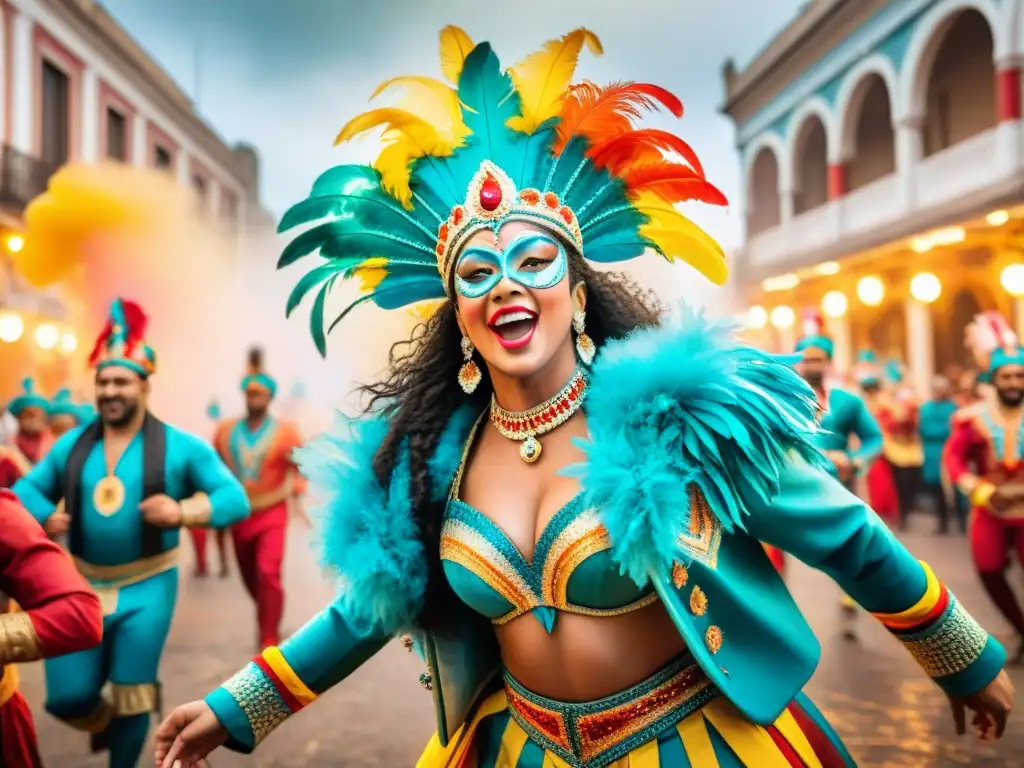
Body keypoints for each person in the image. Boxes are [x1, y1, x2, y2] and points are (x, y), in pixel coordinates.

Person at [155, 28, 1013, 768]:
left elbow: (847, 536)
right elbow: (365, 610)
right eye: (478, 275)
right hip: (515, 744)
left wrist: (962, 659)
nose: (506, 288)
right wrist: (238, 709)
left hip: (694, 740)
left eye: (534, 264)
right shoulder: (432, 460)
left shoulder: (679, 418)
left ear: (576, 286)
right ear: (458, 314)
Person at [12, 297, 250, 768]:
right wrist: (45, 515)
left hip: (148, 585)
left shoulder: (182, 447)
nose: (110, 390)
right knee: (66, 698)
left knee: (134, 694)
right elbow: (23, 491)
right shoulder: (70, 446)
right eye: (103, 381)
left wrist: (182, 512)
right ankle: (106, 725)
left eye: (121, 380)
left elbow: (234, 499)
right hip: (76, 584)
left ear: (144, 387)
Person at [792, 312, 884, 639]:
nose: (813, 364)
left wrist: (855, 460)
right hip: (795, 490)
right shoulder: (784, 400)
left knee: (849, 547)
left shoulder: (847, 402)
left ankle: (851, 597)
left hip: (842, 486)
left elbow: (875, 439)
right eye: (807, 358)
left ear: (829, 361)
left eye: (819, 358)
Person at [1, 490, 103, 767]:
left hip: (139, 580)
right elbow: (32, 485)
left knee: (133, 692)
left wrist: (182, 514)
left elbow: (79, 615)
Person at [212, 348, 305, 650]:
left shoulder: (287, 433)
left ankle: (267, 637)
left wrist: (300, 484)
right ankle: (269, 612)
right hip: (239, 514)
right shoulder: (225, 432)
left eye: (261, 394)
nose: (255, 399)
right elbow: (213, 468)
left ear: (270, 397)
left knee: (268, 572)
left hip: (272, 511)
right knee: (252, 577)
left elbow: (301, 464)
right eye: (250, 393)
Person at [946, 311, 1024, 663]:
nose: (1013, 382)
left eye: (1020, 376)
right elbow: (954, 458)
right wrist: (976, 488)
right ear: (994, 379)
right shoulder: (973, 417)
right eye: (1006, 376)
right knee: (988, 569)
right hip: (990, 507)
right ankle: (1021, 628)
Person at [187, 399, 232, 579]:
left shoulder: (212, 430)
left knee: (198, 525)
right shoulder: (221, 428)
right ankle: (221, 563)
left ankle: (202, 564)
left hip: (202, 484)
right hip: (215, 483)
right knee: (217, 526)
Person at [918, 376, 961, 534]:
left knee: (957, 487)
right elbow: (925, 429)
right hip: (934, 454)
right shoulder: (926, 408)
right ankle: (942, 522)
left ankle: (961, 521)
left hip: (952, 452)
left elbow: (957, 430)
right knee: (937, 490)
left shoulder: (953, 407)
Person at [0, 379, 52, 488]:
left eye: (38, 415)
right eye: (29, 415)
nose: (34, 420)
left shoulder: (54, 447)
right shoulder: (8, 450)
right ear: (18, 418)